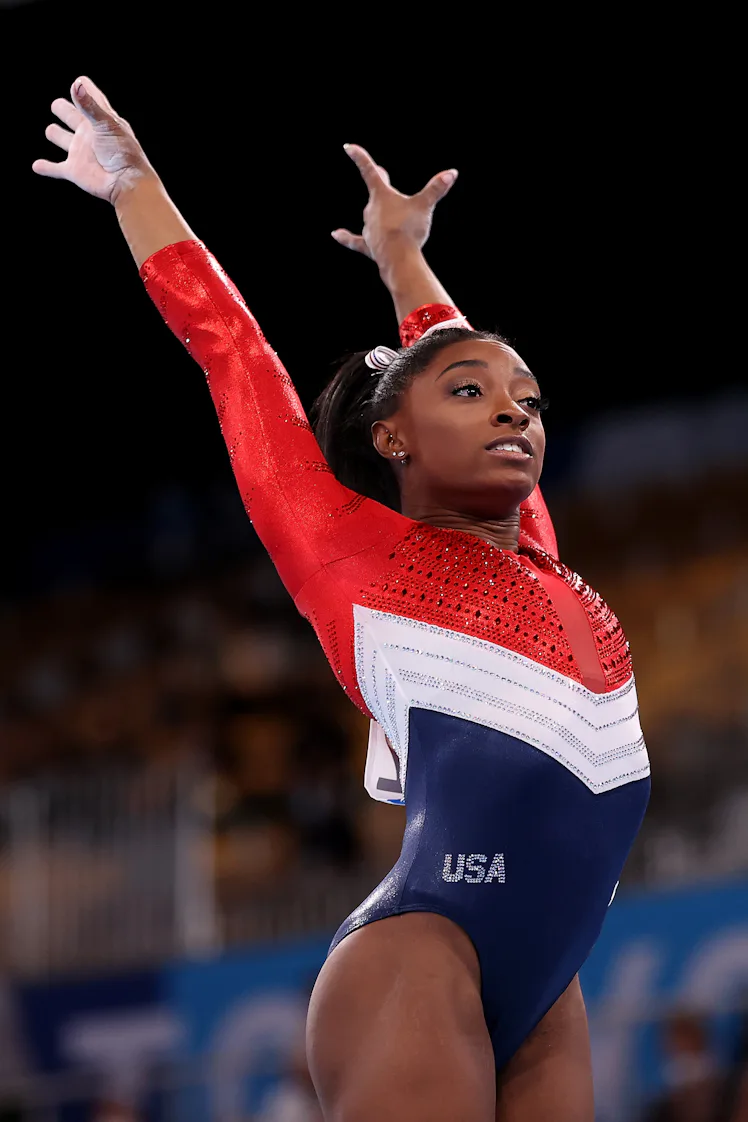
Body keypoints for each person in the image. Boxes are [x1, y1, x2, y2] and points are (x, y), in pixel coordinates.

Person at [32, 77, 651, 1122]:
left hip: (552, 984)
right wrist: (137, 188)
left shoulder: (535, 552)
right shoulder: (348, 556)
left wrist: (403, 255)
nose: (514, 413)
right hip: (421, 952)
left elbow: (456, 360)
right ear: (392, 438)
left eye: (527, 401)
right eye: (473, 396)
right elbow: (234, 357)